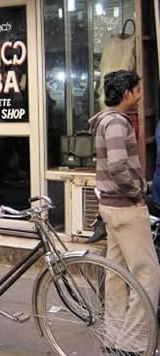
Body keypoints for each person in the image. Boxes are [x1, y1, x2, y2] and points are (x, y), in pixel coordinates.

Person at [89, 70, 160, 354]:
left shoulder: (105, 120)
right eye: (138, 90)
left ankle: (114, 338)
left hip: (110, 206)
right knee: (148, 275)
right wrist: (136, 193)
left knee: (117, 275)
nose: (141, 95)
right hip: (125, 207)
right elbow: (118, 166)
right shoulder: (117, 123)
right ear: (126, 92)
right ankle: (132, 343)